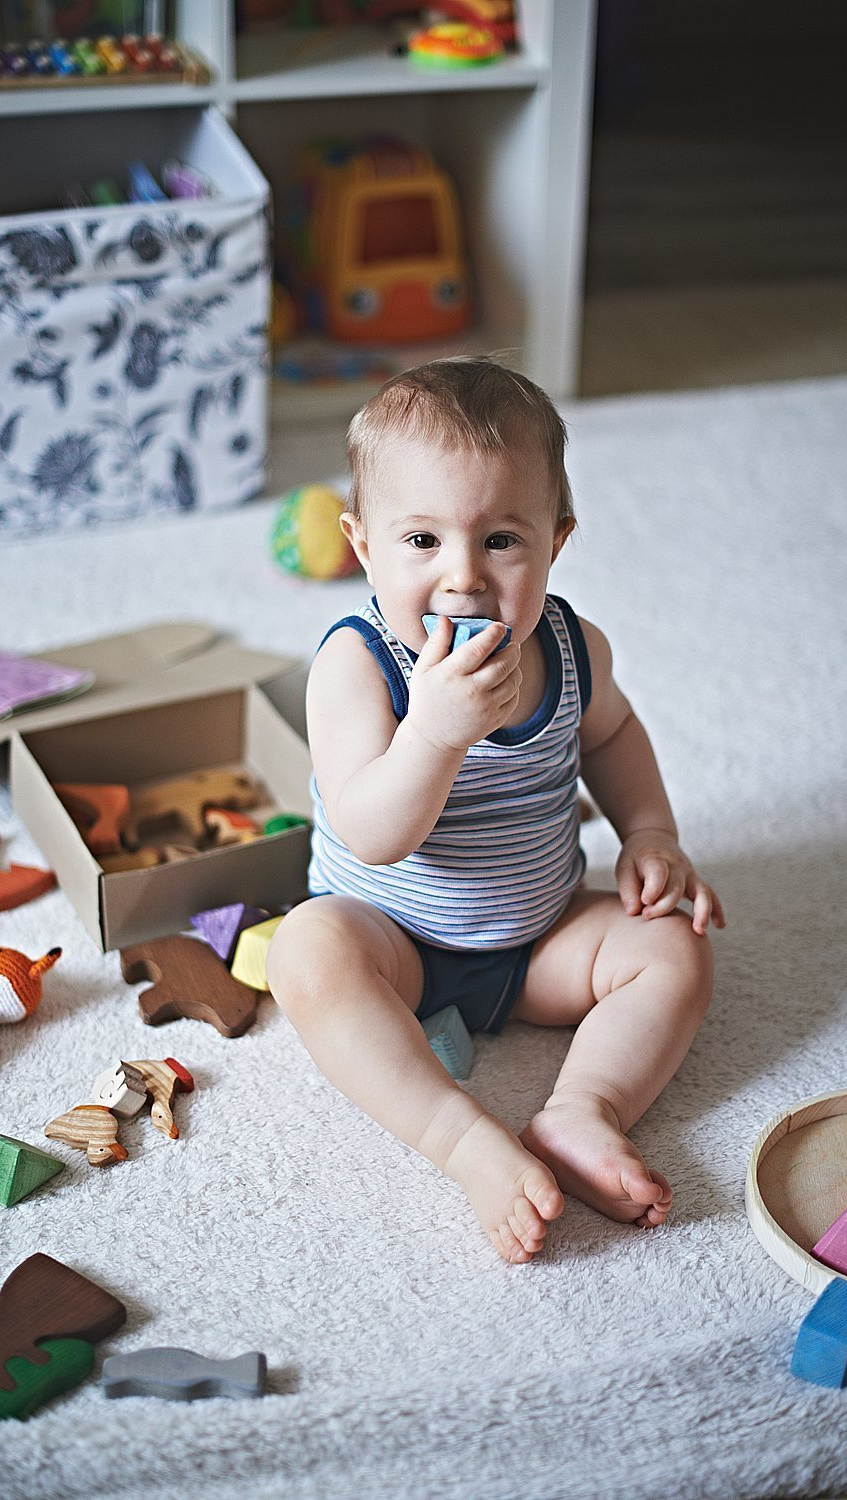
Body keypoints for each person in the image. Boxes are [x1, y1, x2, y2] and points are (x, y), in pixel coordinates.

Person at [267, 357, 725, 1264]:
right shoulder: (356, 668)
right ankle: (460, 1139)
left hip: (539, 937)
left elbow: (616, 736)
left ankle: (582, 1110)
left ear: (556, 540)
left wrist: (649, 833)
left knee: (675, 945)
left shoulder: (571, 647)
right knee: (306, 955)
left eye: (502, 541)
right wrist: (433, 733)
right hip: (392, 941)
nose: (464, 578)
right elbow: (373, 833)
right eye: (422, 541)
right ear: (362, 547)